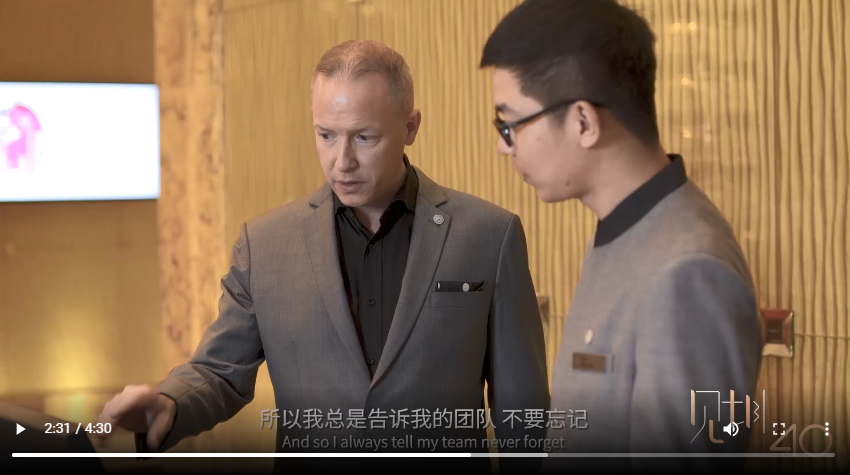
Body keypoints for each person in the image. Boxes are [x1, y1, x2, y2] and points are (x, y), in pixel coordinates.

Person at [95, 40, 549, 473]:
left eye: (364, 137)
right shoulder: (266, 244)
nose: (342, 161)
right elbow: (219, 371)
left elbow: (522, 409)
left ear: (410, 127)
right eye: (326, 135)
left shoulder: (489, 235)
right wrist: (169, 401)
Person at [480, 0, 763, 472]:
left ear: (583, 122)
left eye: (509, 124)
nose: (502, 146)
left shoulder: (687, 271)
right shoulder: (625, 230)